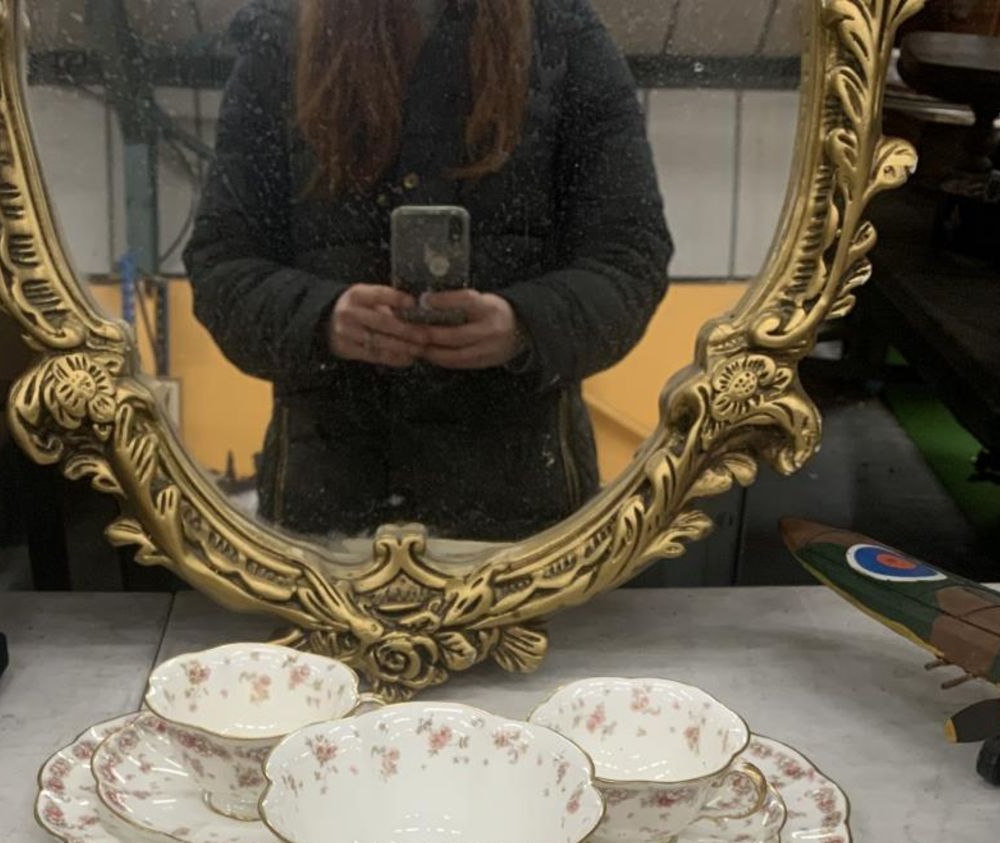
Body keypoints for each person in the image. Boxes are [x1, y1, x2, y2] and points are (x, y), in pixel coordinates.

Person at [185, 0, 672, 540]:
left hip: (506, 531)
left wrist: (526, 325)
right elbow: (223, 266)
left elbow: (630, 258)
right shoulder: (282, 40)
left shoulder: (565, 36)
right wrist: (323, 318)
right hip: (363, 524)